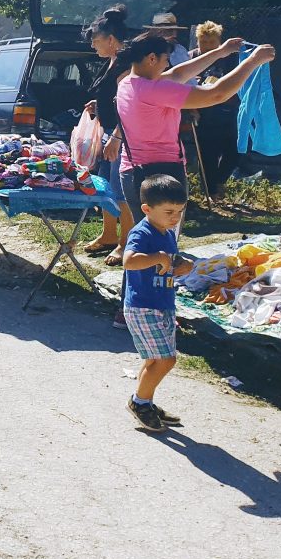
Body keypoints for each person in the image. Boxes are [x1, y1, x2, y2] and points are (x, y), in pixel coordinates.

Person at [113, 31, 275, 327]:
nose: (167, 65)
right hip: (161, 174)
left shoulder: (129, 83)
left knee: (143, 242)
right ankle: (151, 314)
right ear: (151, 59)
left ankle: (129, 312)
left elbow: (178, 73)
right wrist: (253, 61)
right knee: (160, 247)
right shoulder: (152, 90)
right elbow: (216, 94)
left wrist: (221, 52)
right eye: (163, 59)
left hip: (133, 171)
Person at [122, 174, 193, 432]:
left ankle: (145, 401)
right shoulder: (142, 232)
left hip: (162, 303)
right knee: (166, 360)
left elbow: (170, 262)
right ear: (146, 209)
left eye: (180, 212)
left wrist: (182, 264)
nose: (175, 218)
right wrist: (158, 257)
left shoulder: (167, 232)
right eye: (169, 212)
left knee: (154, 359)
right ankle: (140, 402)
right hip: (143, 306)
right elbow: (129, 261)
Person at [83, 5, 135, 266]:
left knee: (121, 192)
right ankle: (107, 236)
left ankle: (125, 243)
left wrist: (116, 136)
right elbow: (112, 98)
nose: (93, 45)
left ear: (111, 40)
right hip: (109, 135)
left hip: (122, 138)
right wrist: (97, 105)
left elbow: (130, 105)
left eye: (96, 39)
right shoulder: (112, 62)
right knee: (104, 187)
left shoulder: (126, 64)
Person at [188, 21, 240, 197]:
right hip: (202, 114)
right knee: (208, 155)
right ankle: (210, 192)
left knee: (234, 152)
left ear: (219, 42)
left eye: (212, 42)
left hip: (228, 111)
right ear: (197, 41)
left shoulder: (230, 58)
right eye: (204, 42)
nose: (208, 47)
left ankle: (218, 182)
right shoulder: (190, 58)